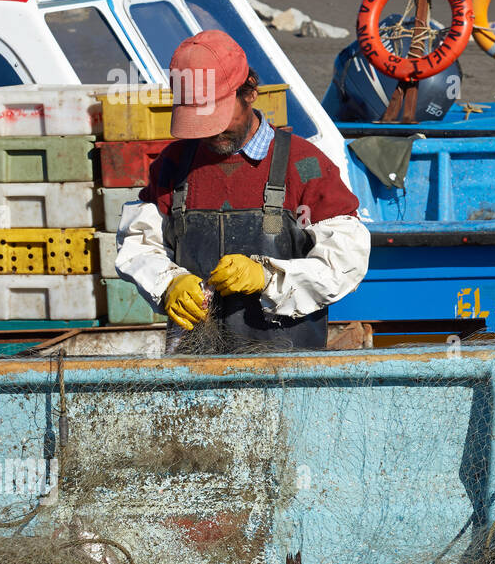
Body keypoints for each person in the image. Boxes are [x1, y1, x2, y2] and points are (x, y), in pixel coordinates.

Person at [116, 30, 370, 351]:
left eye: (220, 116)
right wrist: (168, 283)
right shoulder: (173, 164)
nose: (212, 131)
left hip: (289, 375)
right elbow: (139, 244)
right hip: (193, 375)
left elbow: (346, 261)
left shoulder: (305, 165)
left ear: (249, 92)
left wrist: (267, 277)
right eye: (200, 121)